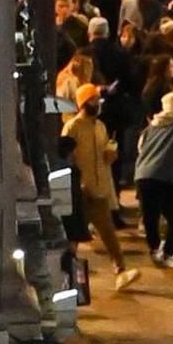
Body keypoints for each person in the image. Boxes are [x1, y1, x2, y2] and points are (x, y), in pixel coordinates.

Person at [63, 82, 139, 290]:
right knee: (73, 238)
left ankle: (120, 270)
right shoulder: (73, 127)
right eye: (93, 100)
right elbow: (67, 156)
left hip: (99, 189)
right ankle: (67, 277)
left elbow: (105, 156)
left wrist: (110, 154)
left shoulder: (100, 126)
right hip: (81, 190)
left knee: (108, 233)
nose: (97, 103)